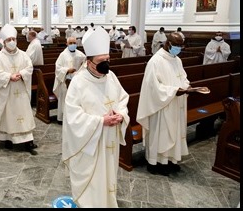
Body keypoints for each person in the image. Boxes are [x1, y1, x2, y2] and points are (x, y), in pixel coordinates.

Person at [62, 26, 130, 208]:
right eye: (101, 61)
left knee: (108, 174)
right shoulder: (78, 82)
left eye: (107, 60)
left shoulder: (111, 76)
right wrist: (101, 121)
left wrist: (121, 115)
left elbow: (123, 98)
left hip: (110, 139)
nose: (106, 65)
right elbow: (72, 116)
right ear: (89, 62)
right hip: (90, 142)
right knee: (93, 177)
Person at [136, 32, 195, 176]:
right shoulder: (156, 61)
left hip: (176, 104)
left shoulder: (177, 60)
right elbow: (152, 87)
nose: (179, 49)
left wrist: (187, 86)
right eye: (176, 46)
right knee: (161, 134)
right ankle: (155, 163)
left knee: (174, 132)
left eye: (181, 46)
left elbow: (183, 77)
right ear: (168, 44)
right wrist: (174, 91)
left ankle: (170, 160)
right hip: (161, 106)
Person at [0, 24, 38, 155]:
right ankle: (8, 138)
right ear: (4, 42)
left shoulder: (23, 55)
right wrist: (8, 76)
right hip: (7, 91)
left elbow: (29, 68)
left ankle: (28, 140)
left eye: (13, 39)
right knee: (8, 114)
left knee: (24, 113)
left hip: (21, 89)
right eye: (8, 40)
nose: (11, 42)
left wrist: (21, 74)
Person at [52, 36, 86, 124]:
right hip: (65, 82)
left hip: (77, 82)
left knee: (76, 100)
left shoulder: (81, 55)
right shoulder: (63, 55)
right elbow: (58, 68)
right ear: (66, 44)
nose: (72, 45)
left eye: (74, 43)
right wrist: (67, 70)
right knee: (65, 99)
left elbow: (85, 66)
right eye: (70, 43)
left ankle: (75, 118)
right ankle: (63, 118)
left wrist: (81, 68)